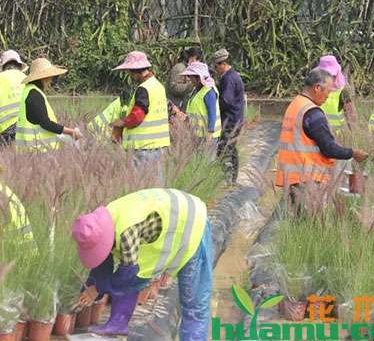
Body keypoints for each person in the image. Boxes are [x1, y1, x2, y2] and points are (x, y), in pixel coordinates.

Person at [71, 188, 212, 340]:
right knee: (133, 275)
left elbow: (128, 274)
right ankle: (118, 323)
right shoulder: (101, 221)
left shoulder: (126, 232)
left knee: (193, 307)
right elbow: (104, 262)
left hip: (194, 225)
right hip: (170, 221)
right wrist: (93, 284)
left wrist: (98, 288)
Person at [275, 69, 368, 211]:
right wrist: (353, 153)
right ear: (317, 88)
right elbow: (328, 148)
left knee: (299, 222)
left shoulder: (296, 104)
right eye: (328, 91)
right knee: (310, 222)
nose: (328, 96)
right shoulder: (312, 112)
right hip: (308, 179)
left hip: (293, 177)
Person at [109, 51, 170, 179]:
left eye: (129, 71)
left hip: (143, 148)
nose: (129, 75)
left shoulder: (144, 89)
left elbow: (137, 116)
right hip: (158, 146)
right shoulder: (158, 86)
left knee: (143, 189)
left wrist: (120, 123)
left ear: (135, 70)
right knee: (155, 187)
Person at [16, 58, 82, 152]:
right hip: (37, 150)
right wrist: (71, 132)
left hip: (27, 149)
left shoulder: (28, 91)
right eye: (50, 77)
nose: (51, 81)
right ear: (44, 78)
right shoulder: (35, 94)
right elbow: (46, 123)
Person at [213, 48, 245, 186]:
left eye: (216, 66)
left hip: (230, 120)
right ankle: (232, 179)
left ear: (222, 64)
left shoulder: (229, 79)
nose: (215, 69)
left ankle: (229, 180)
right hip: (235, 119)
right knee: (230, 148)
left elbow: (226, 101)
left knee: (224, 149)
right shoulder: (231, 76)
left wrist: (214, 108)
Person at [178, 62, 221, 148]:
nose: (189, 79)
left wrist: (209, 134)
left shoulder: (209, 92)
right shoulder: (196, 89)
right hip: (196, 134)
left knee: (207, 160)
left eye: (191, 76)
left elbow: (212, 115)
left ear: (198, 77)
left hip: (207, 136)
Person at [316, 55, 356, 133]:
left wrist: (354, 137)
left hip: (336, 137)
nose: (329, 78)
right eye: (325, 75)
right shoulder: (315, 90)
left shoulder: (343, 92)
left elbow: (351, 116)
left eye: (332, 75)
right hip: (317, 135)